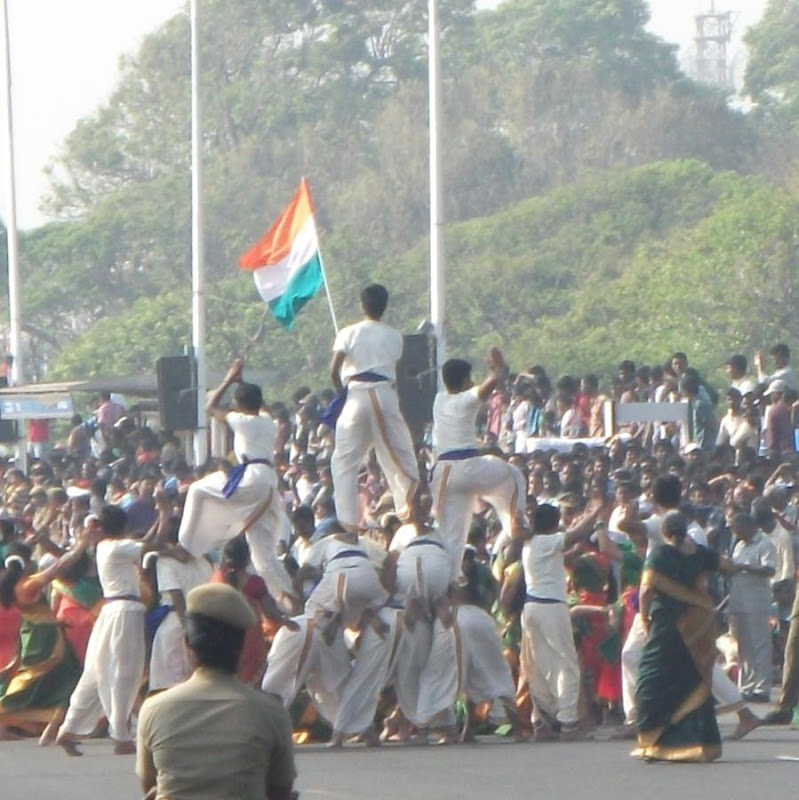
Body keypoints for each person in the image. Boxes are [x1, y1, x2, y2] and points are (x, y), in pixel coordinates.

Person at [137, 582, 296, 800]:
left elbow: (149, 785)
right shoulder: (271, 711)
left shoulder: (154, 708)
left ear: (187, 643)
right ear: (241, 647)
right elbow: (280, 790)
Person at [177, 358, 295, 607]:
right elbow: (265, 409)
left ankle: (186, 546)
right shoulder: (267, 422)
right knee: (263, 556)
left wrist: (229, 379)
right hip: (268, 483)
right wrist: (244, 385)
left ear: (241, 406)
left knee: (197, 489)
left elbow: (210, 406)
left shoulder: (244, 420)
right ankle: (290, 600)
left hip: (251, 479)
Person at [56, 506, 153, 755]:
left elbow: (144, 545)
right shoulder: (116, 546)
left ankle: (68, 728)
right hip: (123, 610)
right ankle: (121, 737)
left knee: (96, 671)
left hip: (112, 610)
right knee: (124, 672)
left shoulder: (105, 547)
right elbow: (152, 545)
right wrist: (163, 515)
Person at [633, 511, 723, 762]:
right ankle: (700, 744)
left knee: (651, 682)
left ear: (664, 532)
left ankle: (655, 742)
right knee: (692, 678)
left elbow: (646, 590)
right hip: (699, 625)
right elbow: (728, 567)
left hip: (668, 625)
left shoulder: (660, 554)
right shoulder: (699, 553)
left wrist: (644, 618)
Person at [329, 284, 419, 531]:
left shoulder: (348, 333)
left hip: (355, 394)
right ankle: (409, 509)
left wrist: (342, 393)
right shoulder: (395, 336)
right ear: (385, 306)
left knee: (345, 460)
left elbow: (333, 370)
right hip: (384, 393)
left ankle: (347, 525)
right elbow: (398, 374)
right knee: (399, 454)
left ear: (362, 304)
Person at [431, 348, 526, 580]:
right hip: (469, 468)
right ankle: (515, 527)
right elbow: (490, 385)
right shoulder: (466, 399)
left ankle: (449, 585)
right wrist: (498, 370)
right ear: (465, 381)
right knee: (513, 475)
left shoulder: (438, 400)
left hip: (443, 475)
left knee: (452, 539)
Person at [0, 538, 91, 742]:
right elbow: (58, 568)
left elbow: (37, 613)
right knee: (30, 683)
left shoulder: (11, 583)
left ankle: (50, 726)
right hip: (45, 644)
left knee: (59, 682)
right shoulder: (27, 584)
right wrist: (81, 545)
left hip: (40, 635)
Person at [516, 503, 592, 740]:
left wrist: (575, 550)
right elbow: (575, 534)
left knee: (538, 666)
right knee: (567, 664)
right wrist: (595, 513)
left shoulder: (532, 545)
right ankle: (568, 722)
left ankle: (543, 721)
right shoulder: (545, 541)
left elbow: (562, 554)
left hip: (532, 608)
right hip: (551, 607)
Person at [729, 512, 777, 702]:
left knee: (760, 644)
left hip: (757, 601)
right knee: (743, 646)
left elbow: (769, 569)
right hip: (739, 600)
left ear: (747, 525)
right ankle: (747, 685)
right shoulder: (739, 545)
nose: (735, 533)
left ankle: (762, 687)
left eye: (737, 529)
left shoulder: (764, 544)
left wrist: (744, 567)